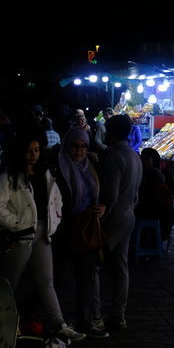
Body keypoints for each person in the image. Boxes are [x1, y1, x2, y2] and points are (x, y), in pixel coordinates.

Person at [0, 133, 83, 341]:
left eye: (36, 150)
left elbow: (56, 199)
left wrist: (54, 219)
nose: (33, 155)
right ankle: (7, 324)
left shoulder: (44, 173)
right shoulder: (9, 177)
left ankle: (59, 324)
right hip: (22, 235)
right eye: (29, 150)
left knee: (46, 281)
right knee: (10, 282)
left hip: (43, 232)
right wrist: (17, 225)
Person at [52, 129, 108, 337]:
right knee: (58, 276)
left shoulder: (92, 168)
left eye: (84, 146)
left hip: (86, 227)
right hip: (63, 228)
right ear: (68, 146)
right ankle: (57, 321)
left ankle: (84, 321)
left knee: (86, 278)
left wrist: (103, 208)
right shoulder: (57, 168)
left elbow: (102, 194)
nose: (79, 151)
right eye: (75, 146)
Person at [97, 114, 142, 331]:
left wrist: (103, 214)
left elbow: (110, 195)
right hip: (129, 216)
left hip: (113, 218)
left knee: (94, 265)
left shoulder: (115, 158)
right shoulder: (135, 156)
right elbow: (135, 195)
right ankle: (119, 313)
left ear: (112, 133)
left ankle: (95, 314)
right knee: (121, 267)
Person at [136, 147, 174, 241]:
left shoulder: (153, 175)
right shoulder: (154, 173)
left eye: (147, 159)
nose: (144, 162)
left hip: (158, 222)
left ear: (154, 160)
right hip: (161, 220)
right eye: (142, 159)